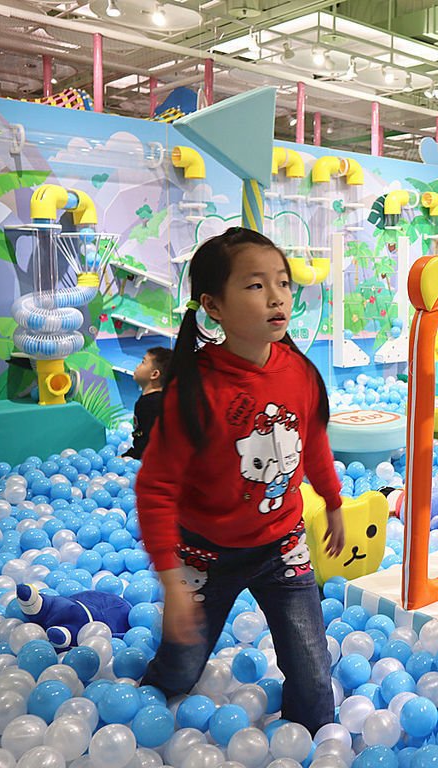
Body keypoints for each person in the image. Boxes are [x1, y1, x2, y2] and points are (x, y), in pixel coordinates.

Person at [135, 227, 345, 733]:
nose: (277, 297)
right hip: (208, 555)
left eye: (283, 283)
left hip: (283, 548)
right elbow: (156, 488)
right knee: (179, 670)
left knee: (316, 687)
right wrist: (173, 580)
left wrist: (333, 501)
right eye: (255, 286)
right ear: (214, 305)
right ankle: (147, 704)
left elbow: (312, 441)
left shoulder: (297, 371)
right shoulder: (199, 389)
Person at [123, 346, 171, 460]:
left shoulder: (150, 404)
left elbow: (147, 440)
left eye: (143, 362)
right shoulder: (157, 399)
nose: (137, 366)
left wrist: (132, 455)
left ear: (154, 374)